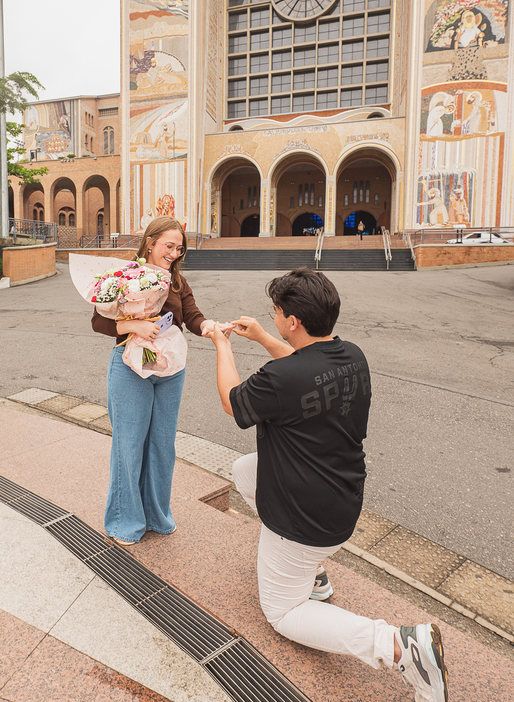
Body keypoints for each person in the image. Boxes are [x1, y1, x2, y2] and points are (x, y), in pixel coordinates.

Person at [206, 268, 449, 702]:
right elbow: (302, 368)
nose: (274, 318)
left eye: (276, 314)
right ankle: (313, 571)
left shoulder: (280, 379)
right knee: (246, 470)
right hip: (342, 497)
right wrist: (263, 337)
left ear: (292, 321)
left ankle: (398, 645)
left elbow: (232, 402)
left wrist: (222, 345)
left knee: (282, 613)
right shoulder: (351, 355)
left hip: (305, 518)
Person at [91, 216, 221, 545]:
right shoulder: (123, 276)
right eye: (169, 246)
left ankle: (156, 516)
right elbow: (97, 320)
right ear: (150, 242)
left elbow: (191, 314)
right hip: (129, 368)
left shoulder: (177, 281)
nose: (175, 253)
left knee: (163, 446)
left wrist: (208, 327)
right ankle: (125, 522)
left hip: (168, 369)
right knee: (129, 446)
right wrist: (134, 327)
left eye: (180, 248)